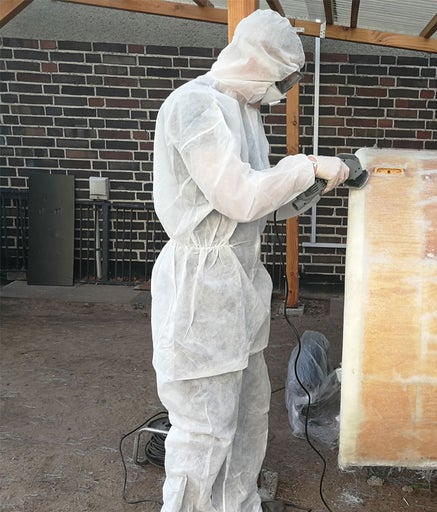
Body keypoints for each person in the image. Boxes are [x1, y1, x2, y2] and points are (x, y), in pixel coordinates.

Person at [150, 10, 349, 512]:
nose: (281, 90)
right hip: (202, 288)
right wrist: (304, 165)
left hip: (239, 287)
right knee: (204, 429)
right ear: (256, 61)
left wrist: (314, 185)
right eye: (280, 78)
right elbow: (238, 197)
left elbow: (264, 202)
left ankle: (238, 505)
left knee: (246, 415)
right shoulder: (195, 106)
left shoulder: (245, 111)